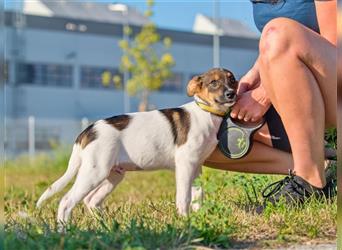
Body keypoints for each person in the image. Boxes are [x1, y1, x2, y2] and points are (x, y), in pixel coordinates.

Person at [204, 0, 337, 211]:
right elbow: (276, 48)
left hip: (333, 87)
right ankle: (322, 166)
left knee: (279, 32)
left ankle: (309, 180)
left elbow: (333, 44)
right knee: (203, 138)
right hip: (304, 88)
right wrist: (253, 77)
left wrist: (264, 94)